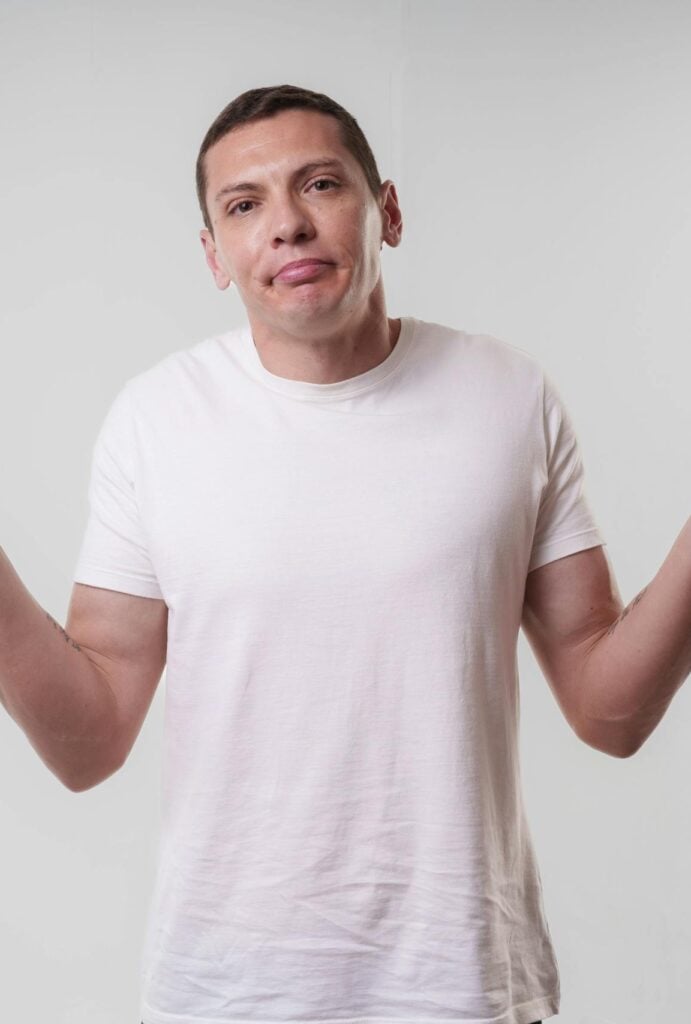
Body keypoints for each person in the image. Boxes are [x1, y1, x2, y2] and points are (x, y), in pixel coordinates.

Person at [1, 83, 689, 1024]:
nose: (285, 225)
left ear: (386, 212)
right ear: (214, 255)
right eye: (243, 205)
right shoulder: (154, 422)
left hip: (463, 987)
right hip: (227, 991)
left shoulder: (508, 397)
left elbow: (609, 711)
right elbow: (89, 741)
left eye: (319, 184)